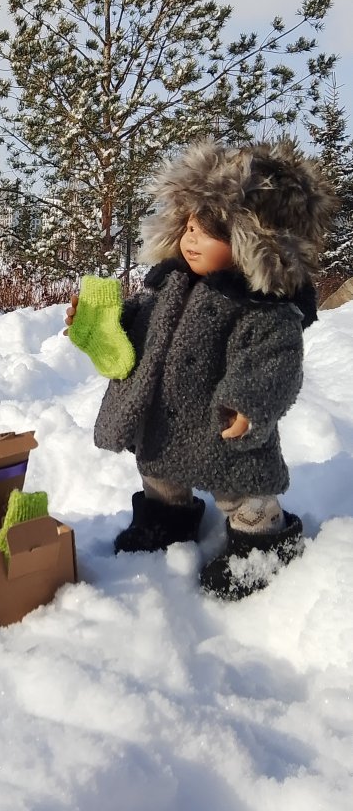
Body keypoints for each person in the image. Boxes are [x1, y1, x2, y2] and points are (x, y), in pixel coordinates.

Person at [66, 139, 335, 599]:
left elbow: (273, 363)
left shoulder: (262, 310)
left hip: (222, 424)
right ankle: (167, 518)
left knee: (240, 490)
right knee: (158, 472)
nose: (189, 238)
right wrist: (106, 324)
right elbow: (145, 327)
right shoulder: (171, 282)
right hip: (164, 421)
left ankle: (262, 540)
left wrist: (248, 404)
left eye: (206, 231)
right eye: (187, 225)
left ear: (252, 240)